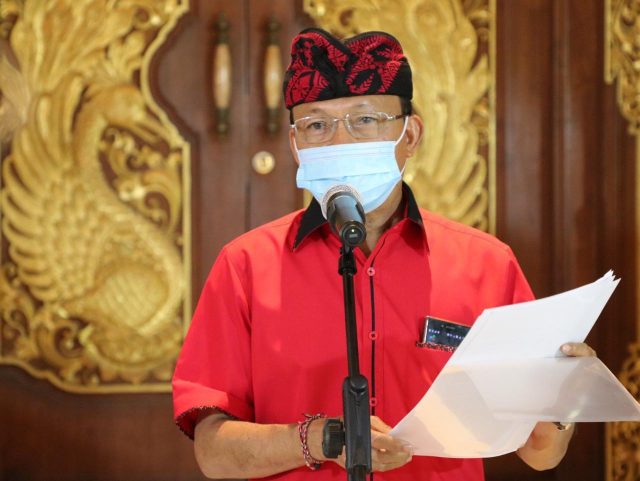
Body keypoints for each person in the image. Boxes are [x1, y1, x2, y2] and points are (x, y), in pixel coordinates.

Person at [172, 28, 594, 480]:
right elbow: (213, 453)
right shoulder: (246, 266)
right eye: (317, 125)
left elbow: (540, 453)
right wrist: (322, 439)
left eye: (365, 120)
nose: (340, 141)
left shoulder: (487, 264)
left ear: (410, 135)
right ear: (296, 145)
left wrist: (563, 397)